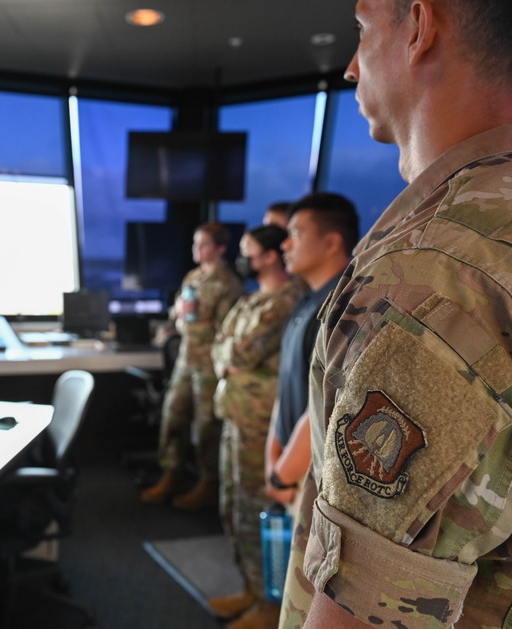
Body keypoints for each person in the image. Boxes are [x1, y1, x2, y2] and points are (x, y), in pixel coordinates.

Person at [282, 0, 512, 627]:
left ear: (419, 28)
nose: (351, 66)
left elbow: (364, 614)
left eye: (362, 29)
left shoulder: (440, 278)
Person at [208, 224, 305, 629]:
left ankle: (270, 605)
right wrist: (227, 353)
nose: (243, 259)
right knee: (233, 506)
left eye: (249, 252)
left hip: (260, 423)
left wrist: (230, 354)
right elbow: (219, 344)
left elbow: (241, 352)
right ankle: (250, 589)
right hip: (237, 415)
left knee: (258, 511)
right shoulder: (253, 300)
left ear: (267, 256)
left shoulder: (288, 300)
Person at [264, 193, 357, 519]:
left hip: (311, 474)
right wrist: (272, 459)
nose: (285, 246)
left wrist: (283, 473)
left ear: (332, 242)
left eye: (296, 234)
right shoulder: (307, 301)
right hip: (290, 465)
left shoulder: (347, 307)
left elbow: (324, 401)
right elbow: (288, 385)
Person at [140, 221, 243, 509]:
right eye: (195, 243)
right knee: (173, 413)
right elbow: (177, 312)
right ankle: (170, 473)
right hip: (186, 358)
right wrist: (178, 313)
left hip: (209, 363)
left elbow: (228, 330)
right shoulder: (193, 276)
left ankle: (208, 483)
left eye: (203, 244)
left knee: (207, 424)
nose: (196, 249)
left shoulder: (227, 285)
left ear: (220, 249)